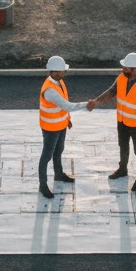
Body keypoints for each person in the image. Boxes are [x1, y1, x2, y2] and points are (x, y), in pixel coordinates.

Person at [87, 52, 136, 192]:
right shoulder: (121, 78)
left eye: (126, 68)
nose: (123, 69)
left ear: (134, 69)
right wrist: (96, 101)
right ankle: (123, 169)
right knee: (123, 146)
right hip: (122, 122)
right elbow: (111, 92)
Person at [38, 55, 89, 199]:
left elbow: (63, 106)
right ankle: (43, 185)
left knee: (58, 151)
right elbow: (67, 105)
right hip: (50, 128)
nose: (64, 73)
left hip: (60, 125)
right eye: (62, 71)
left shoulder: (59, 83)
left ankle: (58, 175)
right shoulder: (50, 90)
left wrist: (67, 119)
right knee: (47, 156)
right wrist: (87, 104)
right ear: (54, 72)